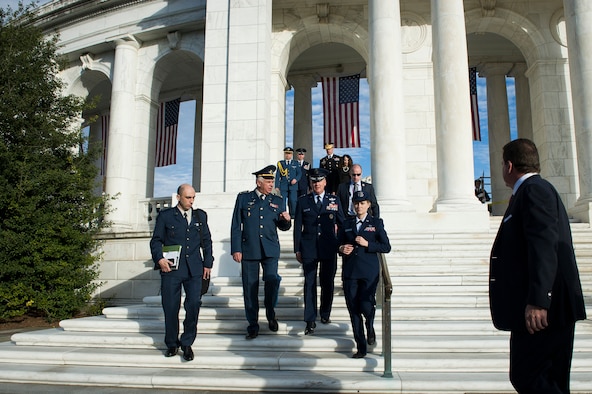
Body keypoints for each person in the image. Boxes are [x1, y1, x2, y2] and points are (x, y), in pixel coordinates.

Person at [489, 138, 586, 393]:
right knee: (540, 378)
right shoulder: (533, 190)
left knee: (531, 377)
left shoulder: (534, 191)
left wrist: (540, 300)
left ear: (509, 166)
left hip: (544, 312)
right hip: (541, 308)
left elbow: (544, 245)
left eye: (501, 164)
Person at [150, 184, 214, 361]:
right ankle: (171, 343)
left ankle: (187, 343)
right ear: (178, 197)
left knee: (193, 305)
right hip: (172, 269)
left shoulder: (200, 215)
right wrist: (159, 259)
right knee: (170, 307)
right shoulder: (166, 216)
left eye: (193, 197)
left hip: (194, 269)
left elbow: (207, 241)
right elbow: (156, 241)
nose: (191, 201)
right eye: (188, 198)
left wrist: (208, 263)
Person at [231, 165, 292, 339]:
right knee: (250, 288)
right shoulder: (244, 198)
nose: (272, 184)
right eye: (268, 181)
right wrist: (236, 249)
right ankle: (253, 324)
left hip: (270, 248)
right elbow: (236, 225)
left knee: (272, 281)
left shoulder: (278, 200)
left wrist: (286, 221)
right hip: (249, 249)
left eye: (272, 181)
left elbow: (283, 226)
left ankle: (270, 311)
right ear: (259, 182)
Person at [338, 190, 391, 358]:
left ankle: (370, 325)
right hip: (350, 272)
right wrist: (341, 248)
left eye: (362, 203)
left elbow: (386, 246)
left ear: (368, 205)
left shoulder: (376, 222)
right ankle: (361, 346)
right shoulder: (347, 223)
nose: (358, 206)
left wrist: (368, 243)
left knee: (366, 306)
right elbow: (338, 243)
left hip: (369, 271)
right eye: (356, 203)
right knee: (353, 309)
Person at [293, 168, 344, 335]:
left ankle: (325, 313)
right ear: (310, 183)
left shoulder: (334, 200)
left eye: (319, 181)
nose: (317, 184)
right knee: (309, 284)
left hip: (329, 247)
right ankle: (309, 320)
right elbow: (297, 227)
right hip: (308, 248)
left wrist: (344, 244)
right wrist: (297, 248)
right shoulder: (303, 201)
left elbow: (342, 223)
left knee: (327, 282)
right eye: (314, 181)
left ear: (325, 182)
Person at [275, 147, 301, 216]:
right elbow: (278, 175)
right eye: (286, 153)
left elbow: (299, 173)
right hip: (283, 185)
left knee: (293, 200)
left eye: (289, 154)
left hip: (293, 186)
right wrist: (277, 186)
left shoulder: (295, 163)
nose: (287, 155)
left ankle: (293, 215)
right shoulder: (281, 163)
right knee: (282, 201)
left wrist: (296, 179)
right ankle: (283, 214)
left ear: (292, 154)